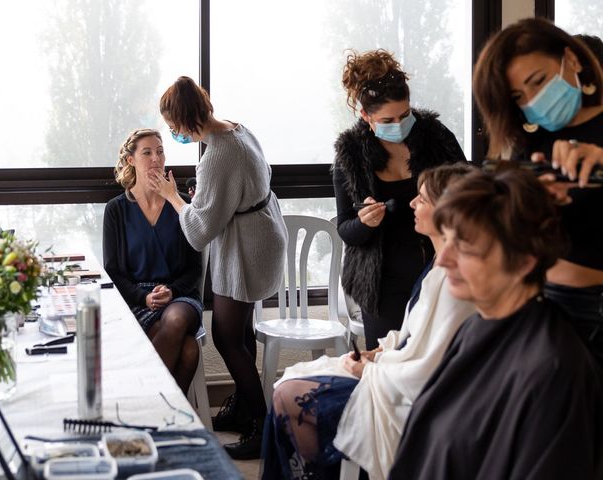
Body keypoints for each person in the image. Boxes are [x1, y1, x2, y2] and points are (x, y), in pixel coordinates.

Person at [262, 163, 476, 480]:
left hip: (405, 394)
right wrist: (374, 354)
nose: (413, 204)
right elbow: (412, 337)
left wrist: (370, 370)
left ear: (449, 212)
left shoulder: (455, 281)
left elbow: (432, 368)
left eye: (423, 199)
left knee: (287, 395)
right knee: (289, 382)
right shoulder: (436, 266)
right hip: (391, 368)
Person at [389, 169, 603, 479]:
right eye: (446, 239)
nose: (444, 258)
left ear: (523, 261)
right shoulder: (476, 327)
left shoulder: (554, 372)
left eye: (464, 247)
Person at [152, 76, 287, 460]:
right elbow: (241, 186)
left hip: (248, 246)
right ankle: (246, 407)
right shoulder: (237, 130)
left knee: (227, 337)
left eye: (173, 127)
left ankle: (262, 427)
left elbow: (197, 231)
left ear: (183, 120)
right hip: (261, 232)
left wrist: (174, 198)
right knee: (241, 332)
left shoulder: (216, 157)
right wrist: (209, 198)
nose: (173, 134)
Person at [473, 18, 603, 366]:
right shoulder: (530, 145)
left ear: (572, 60)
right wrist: (529, 203)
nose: (534, 101)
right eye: (519, 96)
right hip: (543, 303)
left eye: (539, 82)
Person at [333, 49, 466, 350]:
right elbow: (345, 229)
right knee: (386, 363)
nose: (400, 124)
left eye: (405, 115)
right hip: (381, 282)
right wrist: (365, 223)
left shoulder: (434, 136)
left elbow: (469, 191)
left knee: (441, 360)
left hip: (441, 268)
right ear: (365, 116)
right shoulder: (351, 154)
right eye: (388, 119)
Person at [103, 128, 203, 394]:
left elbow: (195, 269)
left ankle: (139, 399)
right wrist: (142, 297)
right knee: (189, 350)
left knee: (175, 321)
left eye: (160, 151)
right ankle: (170, 421)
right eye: (147, 152)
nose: (156, 158)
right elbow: (113, 272)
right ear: (131, 160)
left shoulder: (179, 205)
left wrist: (173, 291)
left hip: (180, 297)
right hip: (139, 299)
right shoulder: (116, 210)